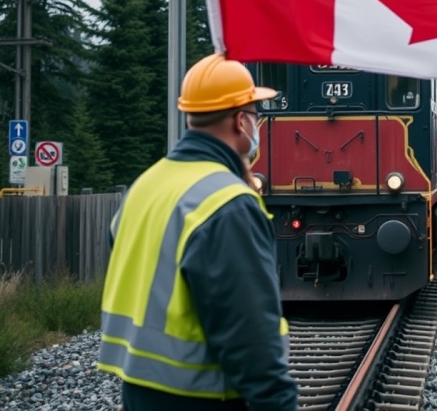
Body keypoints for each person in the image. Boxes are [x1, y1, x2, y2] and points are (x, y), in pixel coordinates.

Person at [97, 53, 298, 411]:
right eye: (256, 115)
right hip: (203, 396)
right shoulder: (228, 203)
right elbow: (250, 332)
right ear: (240, 121)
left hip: (138, 391)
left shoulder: (144, 186)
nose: (257, 125)